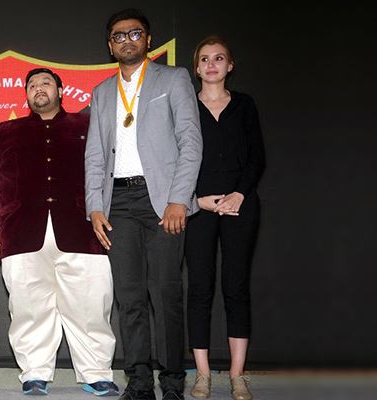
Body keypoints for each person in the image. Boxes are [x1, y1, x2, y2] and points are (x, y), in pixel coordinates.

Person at [84, 9, 203, 400]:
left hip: (162, 201)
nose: (127, 40)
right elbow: (95, 154)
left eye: (135, 33)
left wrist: (178, 199)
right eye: (119, 36)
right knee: (129, 296)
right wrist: (95, 206)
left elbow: (191, 142)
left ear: (148, 40)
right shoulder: (102, 92)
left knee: (166, 293)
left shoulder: (174, 79)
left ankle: (172, 383)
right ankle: (137, 383)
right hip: (117, 202)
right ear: (110, 46)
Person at [0, 68, 119, 397]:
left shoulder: (87, 126)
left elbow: (108, 172)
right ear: (26, 94)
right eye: (32, 85)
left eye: (45, 83)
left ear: (61, 90)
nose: (38, 89)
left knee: (91, 305)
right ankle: (35, 373)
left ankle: (97, 372)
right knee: (28, 308)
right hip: (21, 231)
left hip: (83, 231)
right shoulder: (6, 131)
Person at [185, 35, 265, 400]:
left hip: (239, 206)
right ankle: (202, 374)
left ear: (230, 65)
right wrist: (196, 201)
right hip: (199, 208)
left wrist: (239, 194)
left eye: (219, 58)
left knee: (236, 287)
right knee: (199, 288)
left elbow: (257, 157)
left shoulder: (244, 105)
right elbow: (175, 160)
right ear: (197, 68)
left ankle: (237, 374)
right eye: (204, 59)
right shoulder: (186, 106)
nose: (211, 64)